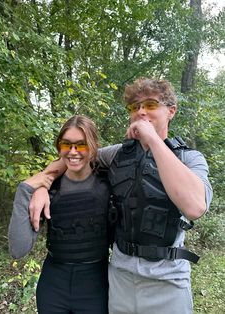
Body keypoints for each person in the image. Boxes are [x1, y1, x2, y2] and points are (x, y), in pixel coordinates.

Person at [28, 78, 213, 314]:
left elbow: (195, 207)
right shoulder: (116, 155)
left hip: (168, 282)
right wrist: (42, 185)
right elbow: (74, 159)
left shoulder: (190, 159)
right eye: (134, 107)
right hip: (120, 278)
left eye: (150, 105)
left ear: (171, 111)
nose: (141, 112)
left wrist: (152, 139)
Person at [8, 115, 112, 314]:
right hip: (53, 287)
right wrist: (26, 189)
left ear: (93, 146)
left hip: (96, 286)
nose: (73, 152)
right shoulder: (47, 191)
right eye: (67, 144)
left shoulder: (110, 184)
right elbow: (18, 249)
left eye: (81, 145)